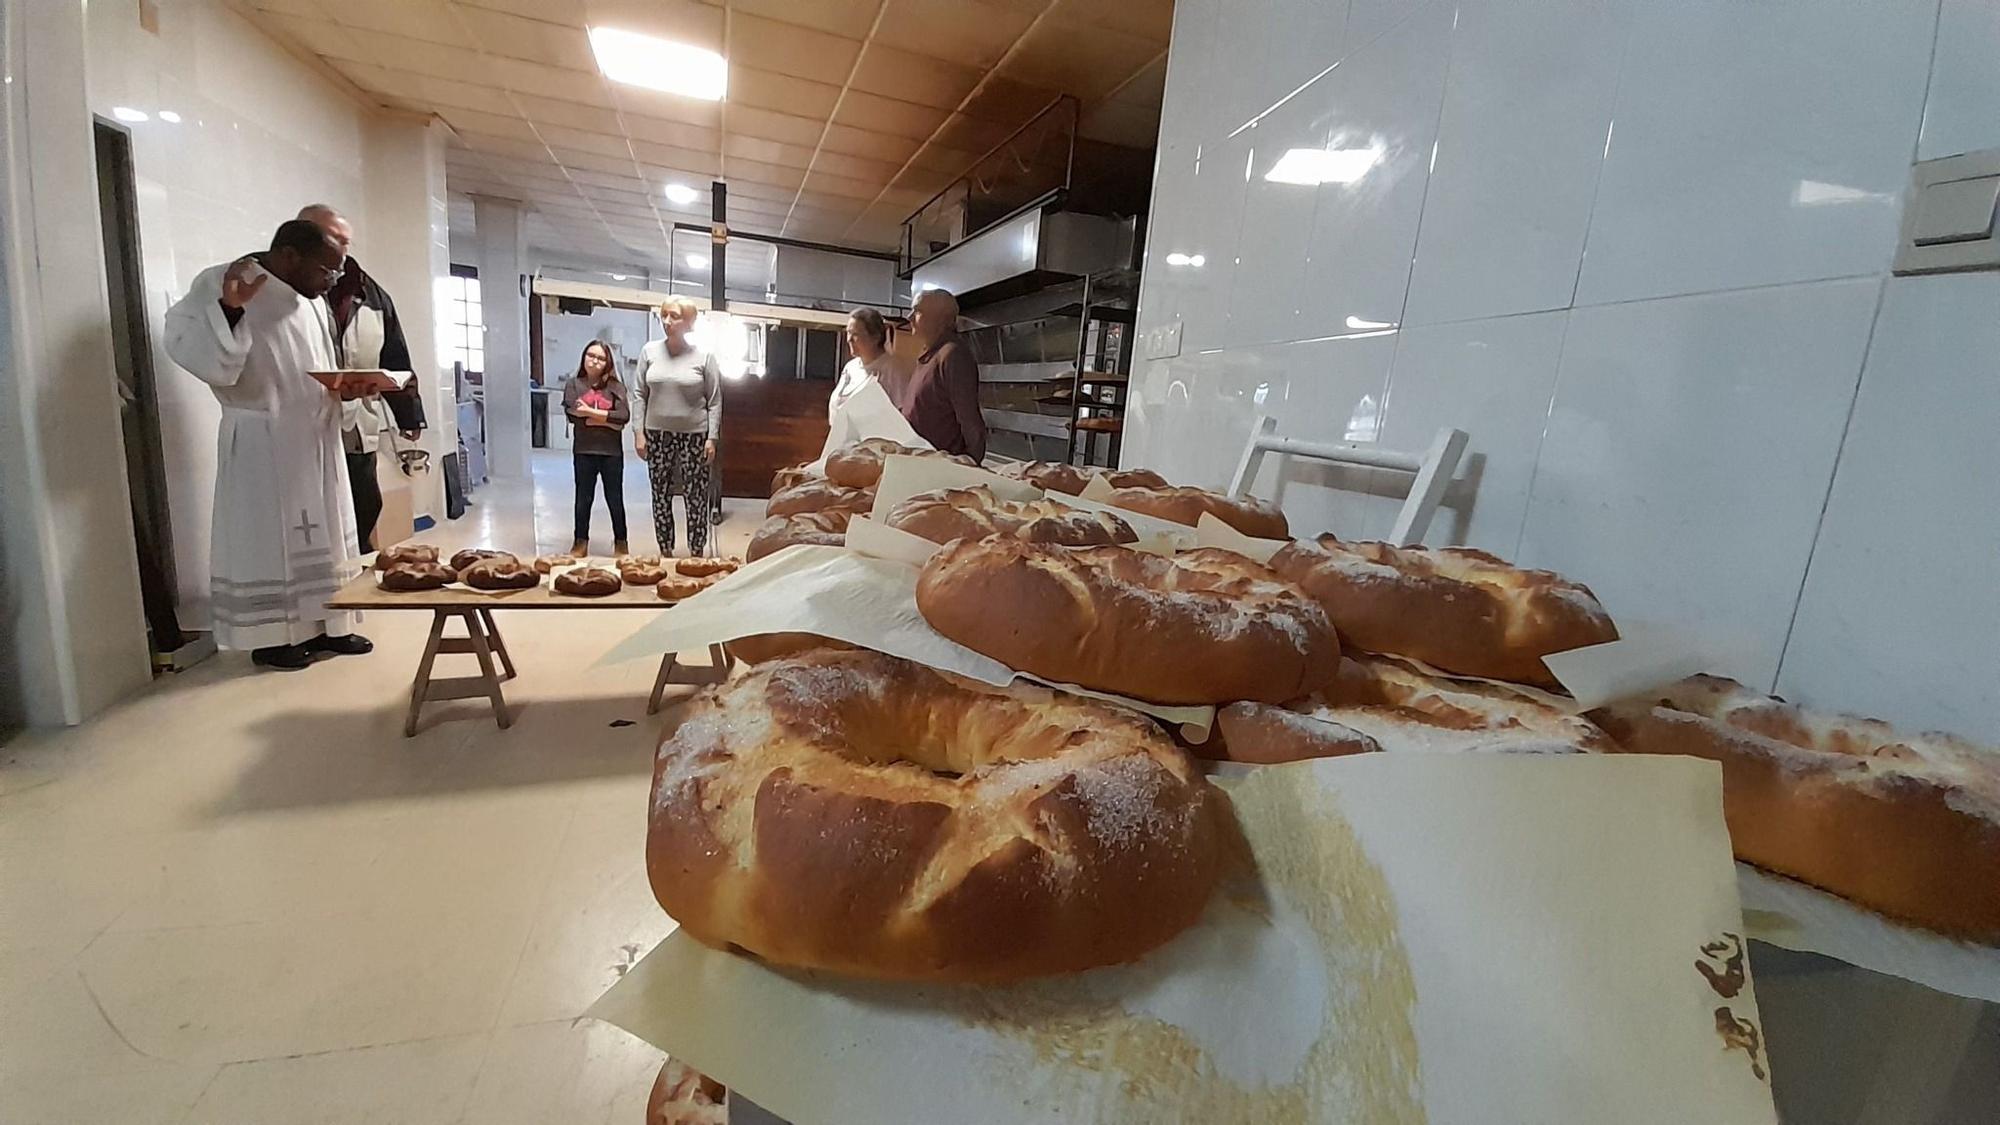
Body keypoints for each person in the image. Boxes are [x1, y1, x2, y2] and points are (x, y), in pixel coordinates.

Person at [163, 219, 371, 671]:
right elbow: (188, 345)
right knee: (270, 540)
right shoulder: (227, 282)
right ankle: (275, 638)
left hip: (316, 434)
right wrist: (230, 311)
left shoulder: (309, 297)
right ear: (290, 256)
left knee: (328, 533)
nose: (331, 281)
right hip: (263, 438)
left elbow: (312, 364)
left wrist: (344, 387)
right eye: (327, 270)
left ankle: (331, 626)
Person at [296, 205, 426, 553]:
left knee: (365, 501)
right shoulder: (288, 289)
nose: (340, 250)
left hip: (355, 422)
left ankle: (357, 562)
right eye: (332, 239)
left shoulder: (370, 293)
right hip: (302, 423)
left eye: (345, 242)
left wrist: (408, 414)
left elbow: (395, 356)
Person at [632, 296, 722, 556]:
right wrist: (639, 432)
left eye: (675, 316)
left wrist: (711, 438)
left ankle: (696, 552)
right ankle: (666, 550)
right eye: (665, 315)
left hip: (694, 434)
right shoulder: (649, 351)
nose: (668, 321)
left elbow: (715, 401)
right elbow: (639, 394)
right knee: (660, 493)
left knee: (696, 495)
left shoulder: (704, 357)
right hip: (657, 434)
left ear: (689, 323)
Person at [895, 288, 986, 462]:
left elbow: (970, 421)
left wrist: (970, 464)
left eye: (918, 311)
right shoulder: (929, 354)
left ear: (942, 319)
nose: (909, 317)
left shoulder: (952, 355)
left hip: (941, 468)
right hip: (920, 462)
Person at [562, 339, 631, 556]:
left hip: (611, 453)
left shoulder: (616, 387)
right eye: (591, 355)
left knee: (615, 498)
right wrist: (608, 420)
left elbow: (623, 417)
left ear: (608, 362)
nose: (595, 361)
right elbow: (573, 414)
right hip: (584, 450)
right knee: (583, 498)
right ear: (584, 357)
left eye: (601, 358)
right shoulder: (574, 384)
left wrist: (592, 414)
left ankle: (621, 541)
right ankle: (580, 541)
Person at [829, 307, 910, 422]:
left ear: (875, 337)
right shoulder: (850, 367)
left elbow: (902, 415)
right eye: (848, 333)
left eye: (856, 334)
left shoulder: (894, 370)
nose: (849, 339)